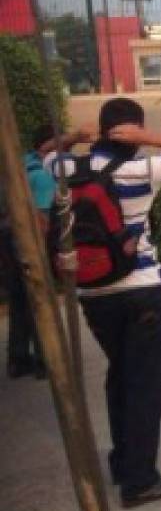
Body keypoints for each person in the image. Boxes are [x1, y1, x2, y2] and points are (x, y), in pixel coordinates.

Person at [44, 98, 161, 509]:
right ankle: (140, 480)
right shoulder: (142, 169)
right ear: (133, 131)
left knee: (120, 375)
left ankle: (123, 462)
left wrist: (74, 137)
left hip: (92, 293)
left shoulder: (68, 168)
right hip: (140, 289)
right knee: (146, 387)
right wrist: (149, 137)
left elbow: (44, 153)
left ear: (101, 132)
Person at [2, 123, 64, 379]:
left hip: (6, 242)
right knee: (40, 300)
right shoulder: (42, 175)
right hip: (28, 245)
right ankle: (44, 360)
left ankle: (17, 360)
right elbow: (41, 221)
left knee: (19, 302)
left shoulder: (21, 163)